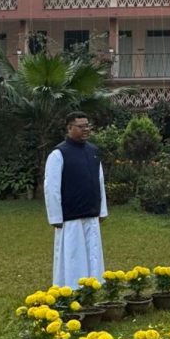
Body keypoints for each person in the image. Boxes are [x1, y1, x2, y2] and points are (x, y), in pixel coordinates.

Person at [44, 111, 107, 288]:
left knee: (93, 252)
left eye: (87, 126)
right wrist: (55, 217)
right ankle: (71, 287)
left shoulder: (93, 151)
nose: (86, 129)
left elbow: (99, 181)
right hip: (71, 215)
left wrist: (102, 210)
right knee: (73, 254)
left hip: (91, 212)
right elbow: (52, 187)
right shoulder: (59, 154)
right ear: (69, 128)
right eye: (81, 126)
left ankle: (94, 284)